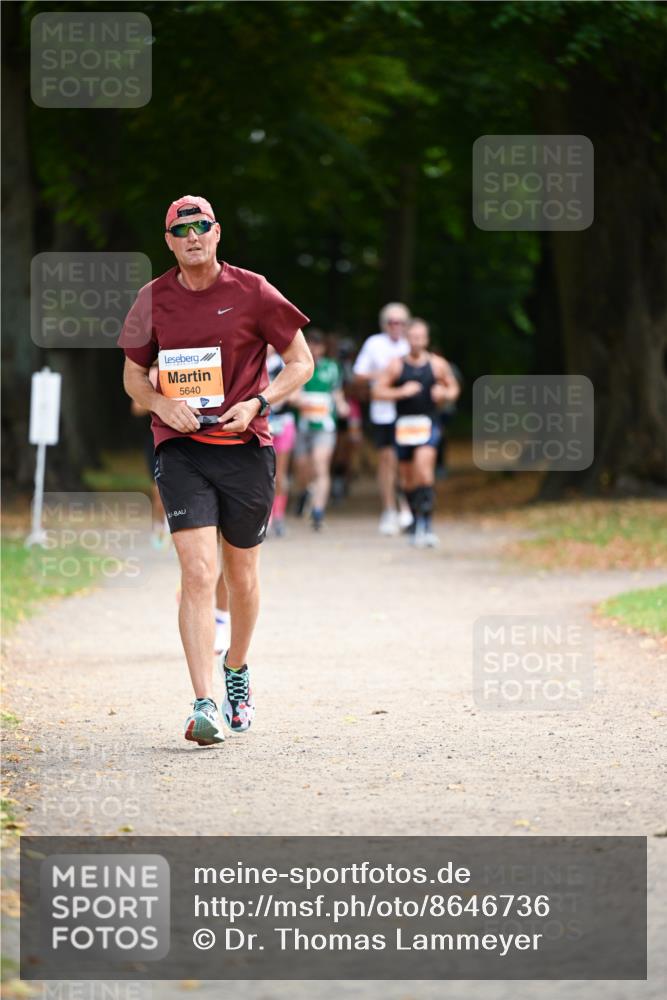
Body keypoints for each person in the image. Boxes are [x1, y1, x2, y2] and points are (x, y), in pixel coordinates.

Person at [119, 195, 312, 746]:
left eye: (202, 226)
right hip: (180, 448)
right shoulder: (150, 300)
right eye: (182, 229)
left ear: (218, 232)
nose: (193, 235)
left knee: (241, 576)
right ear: (169, 242)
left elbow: (302, 362)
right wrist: (160, 404)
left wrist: (259, 402)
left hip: (244, 445)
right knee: (199, 573)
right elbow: (134, 376)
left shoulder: (253, 290)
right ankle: (204, 702)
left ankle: (237, 670)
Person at [372, 318, 460, 547]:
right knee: (407, 478)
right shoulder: (396, 365)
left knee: (424, 470)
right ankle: (414, 520)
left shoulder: (437, 364)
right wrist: (400, 392)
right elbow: (378, 391)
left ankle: (427, 524)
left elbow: (454, 388)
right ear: (407, 339)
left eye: (421, 337)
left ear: (427, 339)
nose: (417, 342)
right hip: (403, 427)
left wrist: (444, 393)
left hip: (428, 424)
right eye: (413, 337)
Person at [353, 302, 413, 535]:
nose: (395, 326)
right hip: (383, 412)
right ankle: (389, 508)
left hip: (409, 412)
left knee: (405, 461)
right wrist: (386, 374)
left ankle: (407, 506)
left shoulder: (411, 344)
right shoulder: (374, 344)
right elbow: (358, 375)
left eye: (400, 322)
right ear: (385, 324)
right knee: (387, 460)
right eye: (391, 322)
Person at [293, 329, 349, 531]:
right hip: (304, 425)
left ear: (323, 348)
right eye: (310, 345)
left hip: (325, 426)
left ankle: (318, 512)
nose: (314, 349)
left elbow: (337, 392)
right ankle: (305, 491)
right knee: (302, 468)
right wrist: (297, 400)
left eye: (317, 345)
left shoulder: (332, 368)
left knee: (320, 463)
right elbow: (292, 393)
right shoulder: (299, 367)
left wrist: (342, 406)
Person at [130, 364, 169, 549]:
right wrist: (158, 401)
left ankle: (176, 528)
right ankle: (159, 527)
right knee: (158, 489)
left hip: (182, 437)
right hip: (155, 438)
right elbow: (137, 408)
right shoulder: (152, 373)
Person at [265, 345, 296, 537]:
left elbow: (295, 391)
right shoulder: (252, 363)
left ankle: (278, 516)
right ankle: (265, 517)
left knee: (280, 473)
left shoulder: (284, 364)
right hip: (259, 423)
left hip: (281, 423)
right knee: (262, 472)